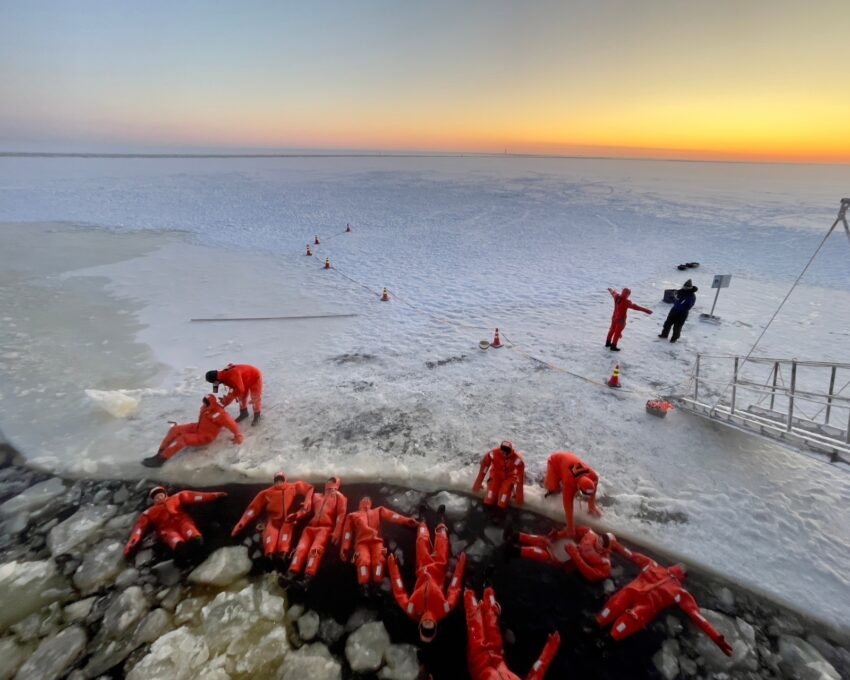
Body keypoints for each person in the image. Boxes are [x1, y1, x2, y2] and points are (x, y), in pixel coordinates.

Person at [597, 556, 733, 655]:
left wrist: (610, 542)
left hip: (637, 600)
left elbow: (630, 555)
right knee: (628, 612)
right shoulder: (677, 588)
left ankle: (601, 629)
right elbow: (696, 615)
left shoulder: (656, 568)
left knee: (623, 607)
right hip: (640, 603)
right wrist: (715, 636)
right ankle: (607, 638)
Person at [387, 506, 467, 642]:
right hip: (439, 566)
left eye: (425, 628)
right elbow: (454, 587)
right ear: (435, 626)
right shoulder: (444, 609)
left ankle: (422, 519)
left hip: (422, 567)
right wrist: (460, 566)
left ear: (420, 626)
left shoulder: (411, 609)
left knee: (421, 540)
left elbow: (399, 590)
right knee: (442, 540)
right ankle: (440, 519)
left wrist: (392, 566)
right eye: (430, 628)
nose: (428, 625)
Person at [465, 586, 561, 680]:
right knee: (491, 618)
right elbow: (537, 672)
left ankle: (468, 589)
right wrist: (551, 648)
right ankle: (487, 587)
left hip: (479, 662)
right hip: (497, 654)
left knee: (475, 618)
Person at [340, 496, 419, 594]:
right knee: (363, 561)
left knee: (378, 561)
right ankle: (364, 584)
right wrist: (345, 547)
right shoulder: (352, 515)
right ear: (360, 502)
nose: (365, 500)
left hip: (377, 542)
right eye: (364, 499)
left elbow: (392, 516)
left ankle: (377, 583)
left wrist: (406, 520)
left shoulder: (378, 511)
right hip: (361, 543)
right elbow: (347, 533)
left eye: (367, 499)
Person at [513, 525, 643, 583]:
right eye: (600, 538)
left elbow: (591, 575)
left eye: (602, 543)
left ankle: (516, 551)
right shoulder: (590, 534)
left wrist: (575, 556)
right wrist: (558, 534)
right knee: (544, 540)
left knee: (546, 556)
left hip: (571, 565)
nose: (599, 542)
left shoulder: (605, 565)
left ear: (606, 549)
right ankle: (516, 536)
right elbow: (574, 530)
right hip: (571, 550)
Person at [142, 394, 243, 467]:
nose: (203, 405)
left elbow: (232, 424)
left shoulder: (220, 414)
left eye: (205, 403)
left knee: (183, 439)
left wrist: (238, 436)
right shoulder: (206, 408)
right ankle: (160, 453)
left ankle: (161, 459)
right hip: (197, 427)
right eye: (203, 403)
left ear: (210, 404)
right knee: (175, 430)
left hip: (205, 436)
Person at [124, 486, 227, 557]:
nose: (159, 497)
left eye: (160, 495)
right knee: (173, 539)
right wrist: (132, 543)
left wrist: (215, 495)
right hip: (167, 529)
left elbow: (196, 497)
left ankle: (197, 544)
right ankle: (182, 551)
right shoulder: (149, 512)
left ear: (165, 494)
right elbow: (139, 528)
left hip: (182, 521)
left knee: (190, 530)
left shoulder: (176, 498)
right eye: (156, 497)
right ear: (153, 500)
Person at [231, 471, 314, 558]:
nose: (279, 482)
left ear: (285, 480)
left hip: (288, 520)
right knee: (270, 541)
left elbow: (309, 488)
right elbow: (253, 509)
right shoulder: (266, 493)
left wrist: (307, 502)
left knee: (285, 540)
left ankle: (283, 554)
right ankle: (270, 555)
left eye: (281, 480)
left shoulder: (293, 487)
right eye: (277, 480)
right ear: (274, 481)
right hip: (273, 521)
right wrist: (241, 524)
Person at [288, 476, 348, 582]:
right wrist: (296, 515)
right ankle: (291, 574)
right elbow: (306, 510)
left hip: (325, 529)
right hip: (310, 528)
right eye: (329, 481)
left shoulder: (340, 497)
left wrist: (337, 531)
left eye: (332, 482)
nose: (330, 484)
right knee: (300, 549)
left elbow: (341, 515)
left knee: (315, 550)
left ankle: (307, 578)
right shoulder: (316, 496)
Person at [543, 451, 601, 537]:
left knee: (563, 476)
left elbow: (593, 489)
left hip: (568, 462)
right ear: (577, 487)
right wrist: (570, 527)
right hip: (555, 460)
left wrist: (591, 506)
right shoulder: (569, 483)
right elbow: (567, 505)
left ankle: (557, 476)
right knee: (552, 489)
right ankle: (545, 479)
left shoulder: (594, 477)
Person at [472, 440, 526, 509]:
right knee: (489, 497)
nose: (504, 453)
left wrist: (519, 498)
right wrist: (477, 485)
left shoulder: (517, 460)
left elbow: (520, 479)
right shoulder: (493, 454)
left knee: (503, 500)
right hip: (496, 475)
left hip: (509, 478)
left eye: (507, 452)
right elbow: (484, 468)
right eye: (503, 451)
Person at [605, 287, 652, 351]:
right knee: (617, 333)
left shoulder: (617, 297)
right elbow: (636, 307)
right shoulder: (626, 302)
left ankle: (608, 343)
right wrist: (646, 310)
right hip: (621, 320)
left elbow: (613, 293)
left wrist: (610, 289)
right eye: (628, 294)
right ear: (627, 294)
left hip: (614, 317)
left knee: (612, 330)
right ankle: (613, 346)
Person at [659, 279, 698, 343]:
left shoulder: (691, 296)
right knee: (667, 323)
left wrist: (680, 303)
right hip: (674, 310)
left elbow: (689, 306)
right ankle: (664, 335)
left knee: (677, 326)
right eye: (684, 286)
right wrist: (673, 297)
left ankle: (674, 338)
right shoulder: (680, 291)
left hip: (682, 313)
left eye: (686, 287)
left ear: (689, 288)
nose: (684, 288)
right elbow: (675, 295)